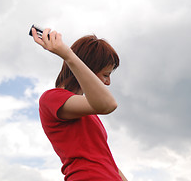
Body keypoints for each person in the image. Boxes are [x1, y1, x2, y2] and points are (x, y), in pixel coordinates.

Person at [31, 27, 127, 181]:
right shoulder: (51, 98)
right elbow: (108, 104)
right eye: (105, 75)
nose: (108, 82)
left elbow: (106, 161)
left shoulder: (88, 110)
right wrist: (68, 55)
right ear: (89, 69)